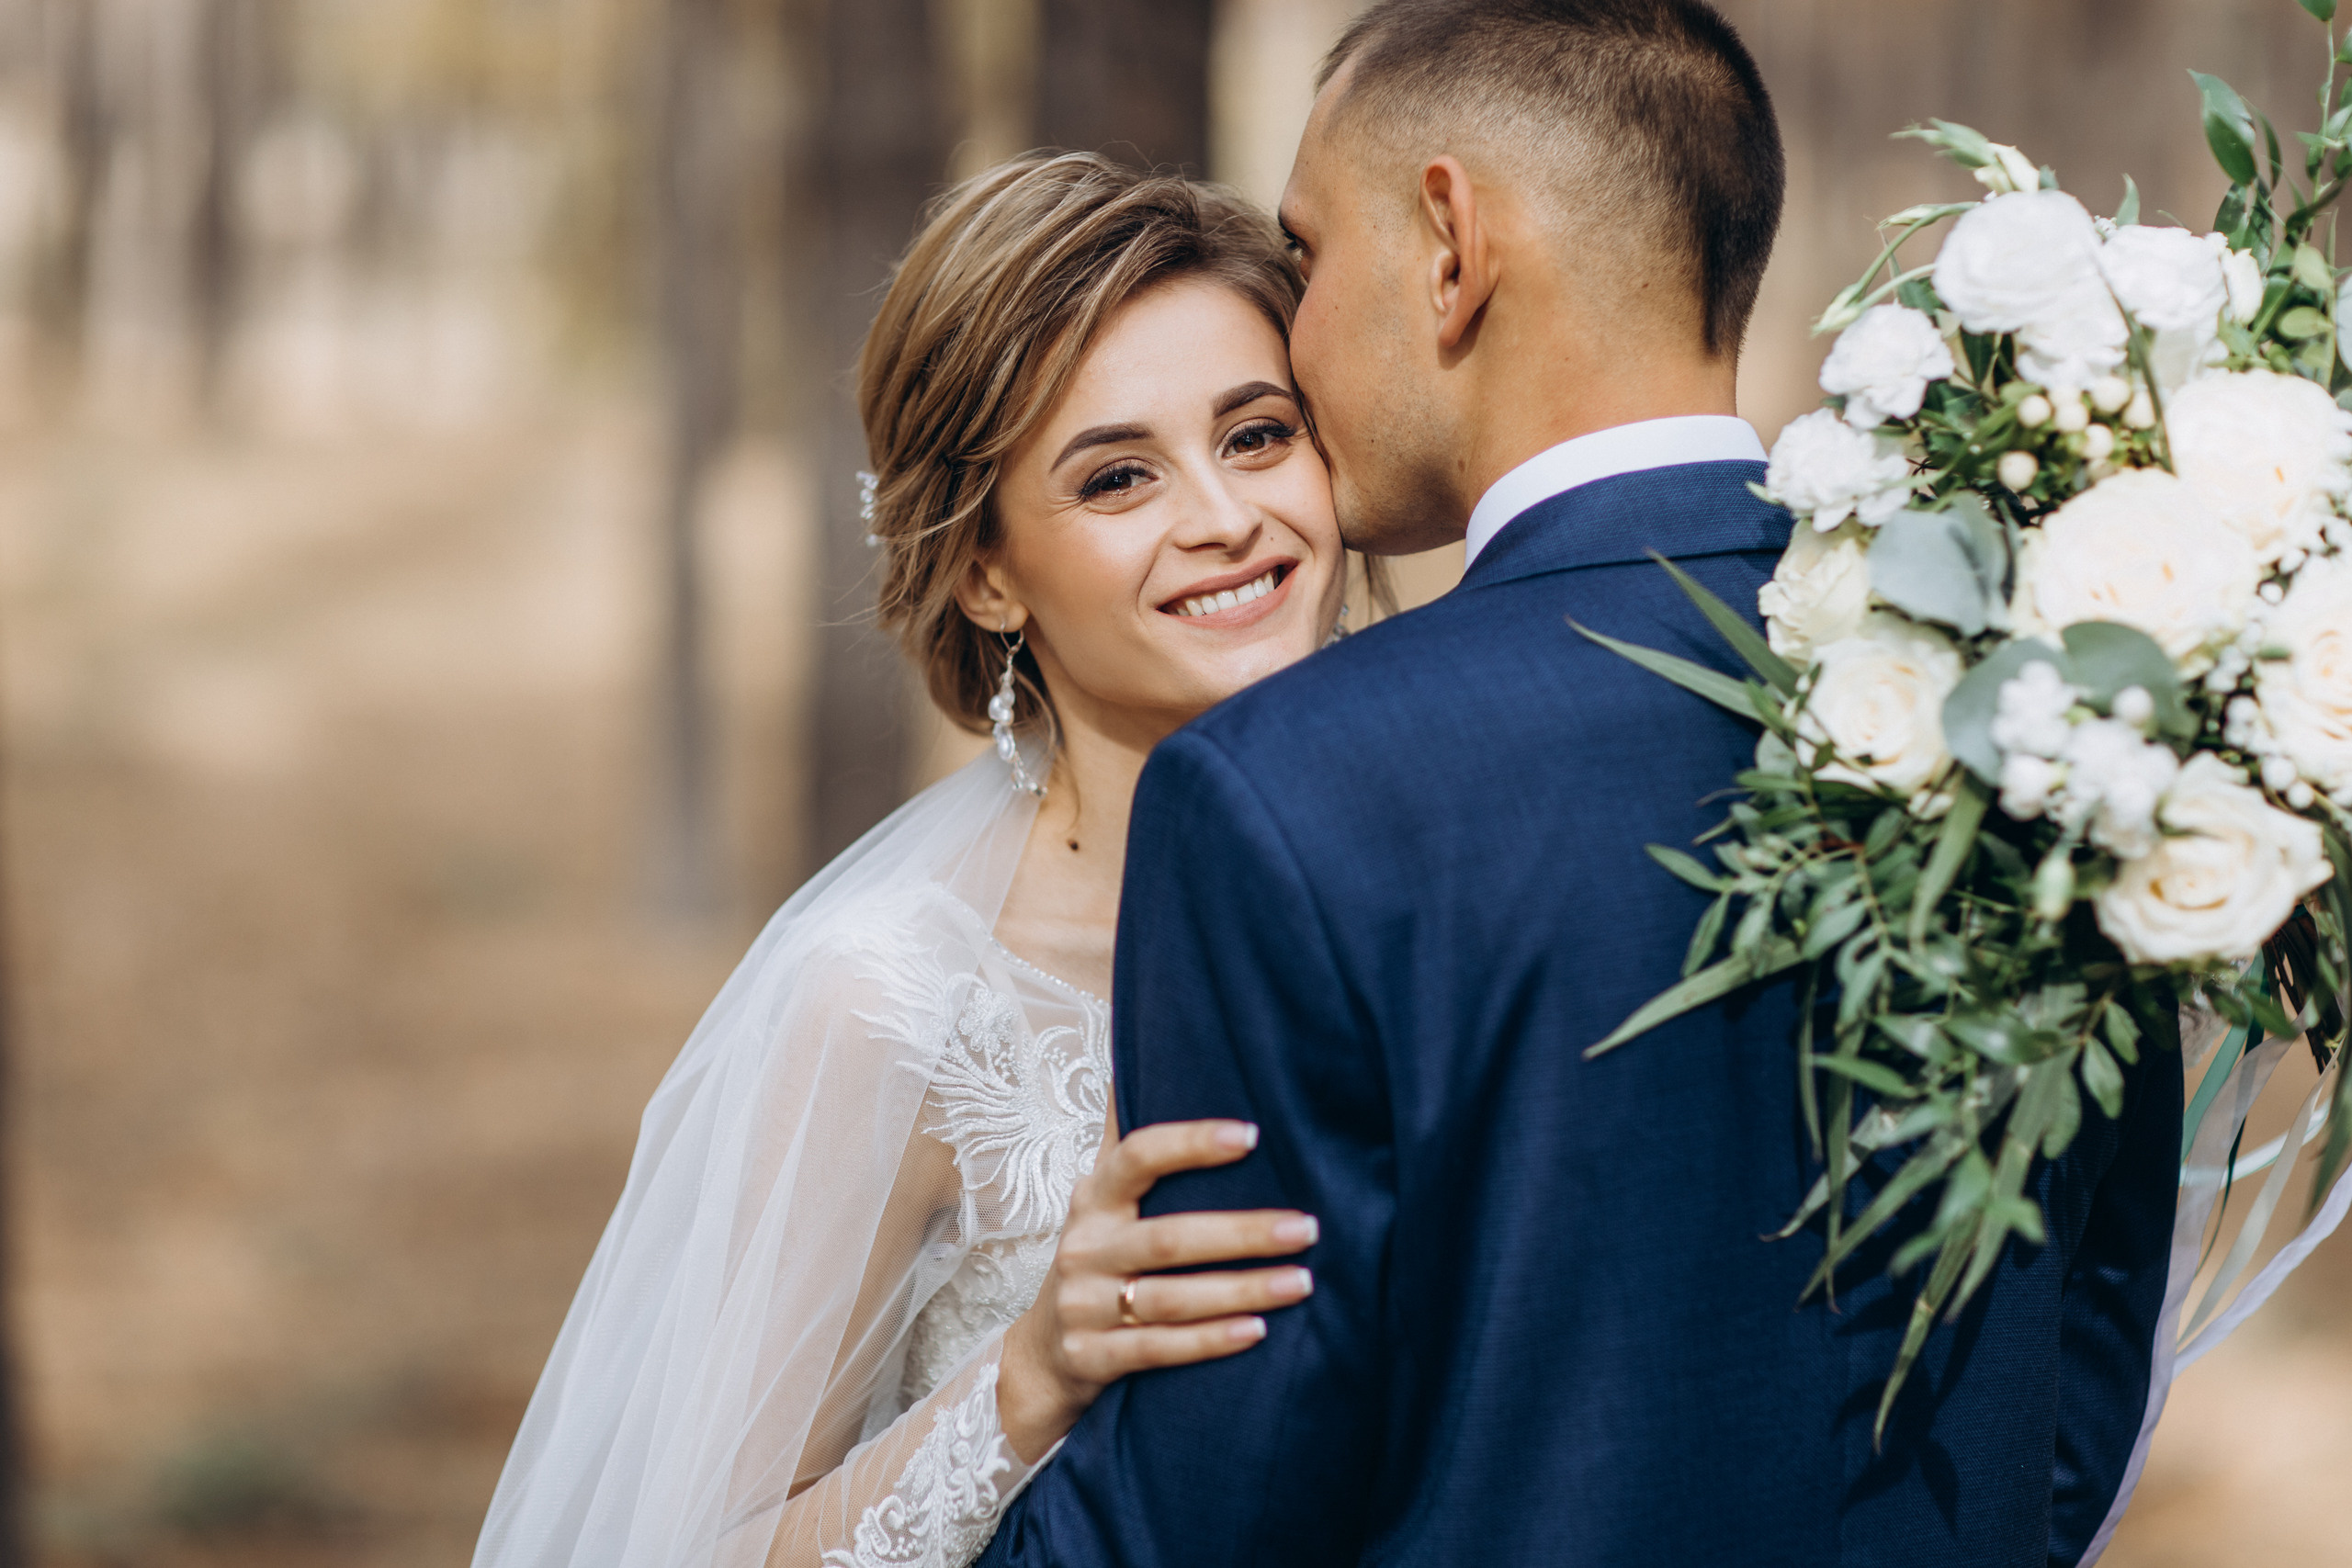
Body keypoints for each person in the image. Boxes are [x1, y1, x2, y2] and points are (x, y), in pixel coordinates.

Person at [975, 3, 2180, 1566]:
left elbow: (1218, 1502)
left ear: (1450, 245)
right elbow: (2080, 1382)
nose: (1298, 328)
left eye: (1311, 255)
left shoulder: (1282, 793)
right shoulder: (2054, 694)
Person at [471, 154, 1364, 1568]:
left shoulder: (1422, 886)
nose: (1225, 515)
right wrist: (1028, 1380)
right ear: (987, 572)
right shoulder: (888, 1002)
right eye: (1119, 475)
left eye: (1256, 436)